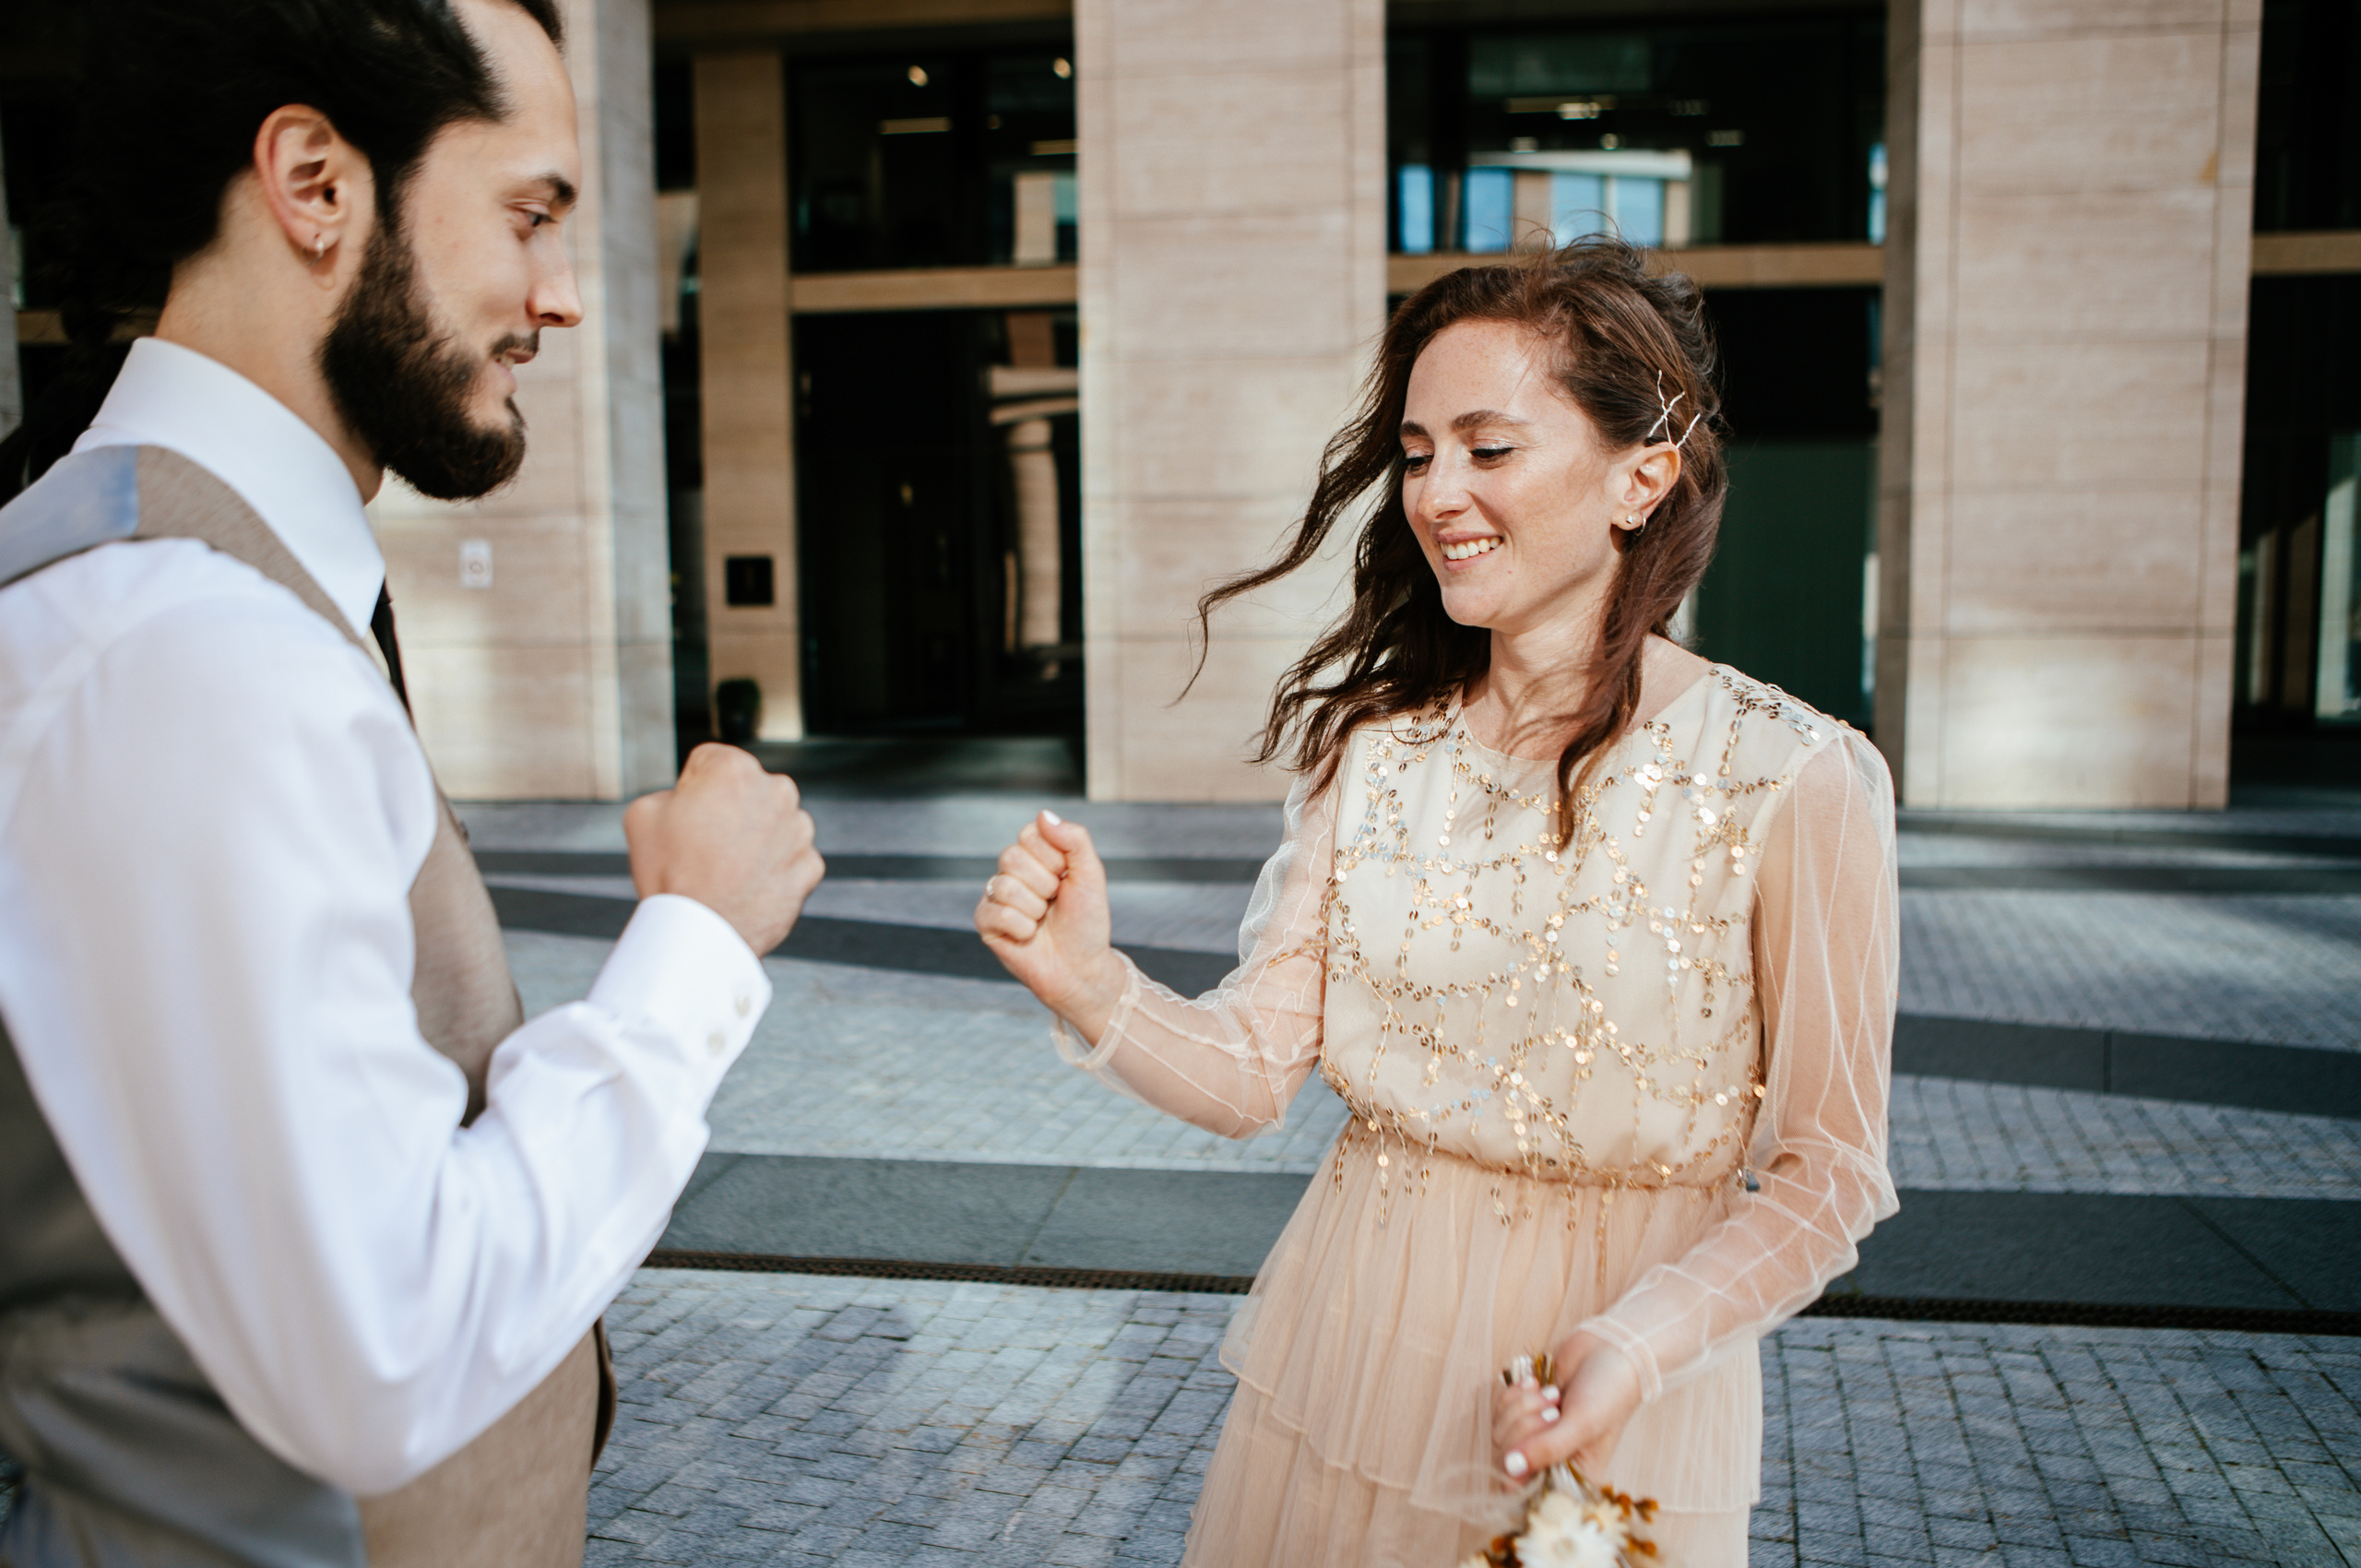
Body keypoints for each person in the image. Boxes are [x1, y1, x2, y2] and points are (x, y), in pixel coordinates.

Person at [0, 2, 823, 1562]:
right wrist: (695, 944)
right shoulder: (185, 646)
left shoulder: (206, 595)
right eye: (530, 216)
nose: (562, 300)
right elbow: (384, 1346)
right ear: (315, 182)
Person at [976, 239, 1899, 1565]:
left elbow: (1830, 1178)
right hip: (1353, 1343)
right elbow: (1250, 1072)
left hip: (1620, 1393)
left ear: (1643, 478)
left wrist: (1635, 1347)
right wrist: (1086, 978)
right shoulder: (1380, 752)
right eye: (1416, 454)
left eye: (1488, 447)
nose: (1437, 494)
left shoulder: (1798, 779)